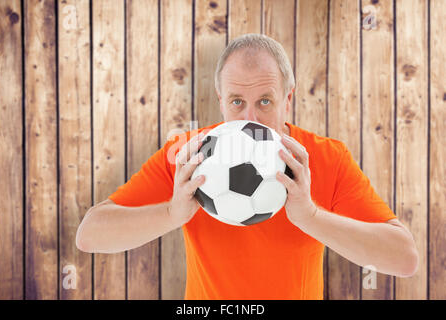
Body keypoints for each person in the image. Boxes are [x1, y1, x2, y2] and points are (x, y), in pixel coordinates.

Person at [76, 33, 418, 299]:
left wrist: (311, 217)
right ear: (220, 100)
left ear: (288, 99)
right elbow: (90, 235)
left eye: (265, 101)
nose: (250, 118)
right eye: (237, 102)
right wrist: (171, 214)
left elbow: (404, 259)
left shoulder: (326, 158)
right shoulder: (188, 155)